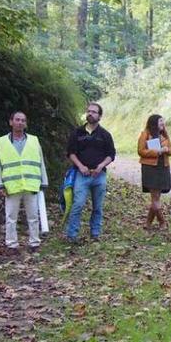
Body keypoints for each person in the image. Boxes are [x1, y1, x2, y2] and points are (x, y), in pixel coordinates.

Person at [0, 111, 49, 253]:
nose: (20, 123)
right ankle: (11, 244)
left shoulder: (34, 140)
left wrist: (44, 181)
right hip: (11, 186)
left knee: (33, 216)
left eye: (23, 120)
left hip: (31, 184)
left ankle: (34, 243)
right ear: (11, 122)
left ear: (26, 123)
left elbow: (41, 162)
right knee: (11, 217)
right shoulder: (1, 142)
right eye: (17, 120)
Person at [66, 102, 116, 243]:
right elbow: (71, 152)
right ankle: (72, 235)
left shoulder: (105, 135)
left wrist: (101, 166)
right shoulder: (77, 133)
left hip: (99, 176)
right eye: (89, 111)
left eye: (94, 112)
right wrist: (81, 166)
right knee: (78, 204)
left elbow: (111, 154)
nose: (90, 114)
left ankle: (95, 233)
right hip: (81, 175)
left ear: (99, 116)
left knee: (98, 207)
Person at [137, 114, 171, 230]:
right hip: (150, 169)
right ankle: (162, 222)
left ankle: (148, 223)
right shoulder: (145, 134)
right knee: (155, 198)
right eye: (160, 122)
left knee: (156, 197)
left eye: (163, 122)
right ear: (154, 123)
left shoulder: (164, 134)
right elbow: (141, 151)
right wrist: (157, 152)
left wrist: (167, 150)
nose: (163, 124)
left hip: (163, 167)